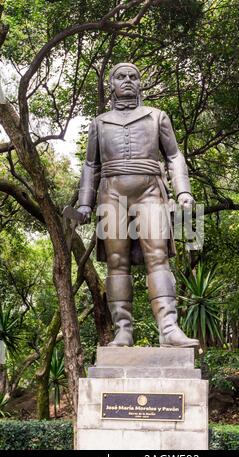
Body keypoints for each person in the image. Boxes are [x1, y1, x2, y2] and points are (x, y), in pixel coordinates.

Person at [78, 62, 199, 348]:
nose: (128, 80)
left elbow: (174, 156)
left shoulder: (157, 117)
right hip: (111, 194)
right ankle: (123, 330)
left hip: (150, 191)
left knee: (157, 256)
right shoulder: (99, 122)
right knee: (117, 262)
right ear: (112, 84)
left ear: (140, 83)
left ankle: (169, 328)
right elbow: (90, 164)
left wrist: (183, 192)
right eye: (121, 76)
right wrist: (85, 203)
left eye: (133, 76)